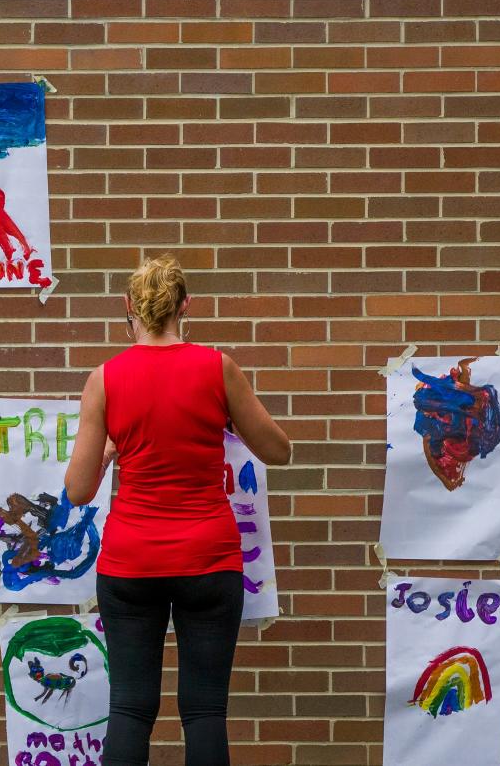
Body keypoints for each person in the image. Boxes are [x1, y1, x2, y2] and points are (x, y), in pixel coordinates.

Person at [64, 255, 290, 766]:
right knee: (205, 712)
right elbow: (279, 451)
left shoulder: (105, 378)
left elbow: (78, 491)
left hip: (130, 563)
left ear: (128, 308)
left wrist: (108, 453)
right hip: (208, 561)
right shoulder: (218, 367)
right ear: (186, 306)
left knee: (129, 709)